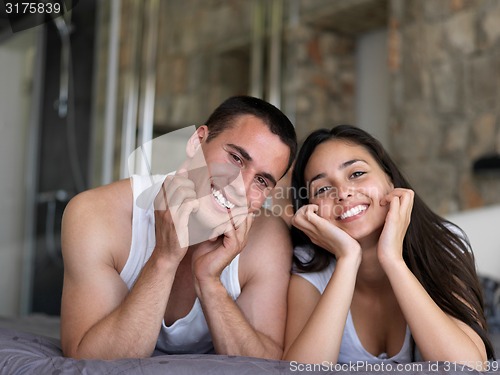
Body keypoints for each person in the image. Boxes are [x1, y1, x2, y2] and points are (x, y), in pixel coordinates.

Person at [60, 96, 297, 360]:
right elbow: (87, 360)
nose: (240, 187)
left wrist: (209, 281)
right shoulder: (96, 213)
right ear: (197, 142)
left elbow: (266, 365)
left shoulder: (267, 237)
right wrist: (164, 258)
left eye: (262, 180)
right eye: (236, 159)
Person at [283, 125, 495, 366]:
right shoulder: (309, 265)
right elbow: (299, 372)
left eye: (356, 174)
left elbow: (469, 368)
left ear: (390, 180)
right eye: (322, 189)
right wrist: (348, 258)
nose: (342, 193)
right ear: (310, 208)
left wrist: (393, 260)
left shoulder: (442, 243)